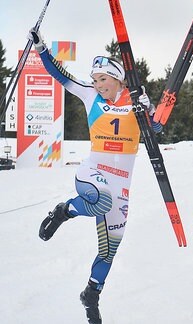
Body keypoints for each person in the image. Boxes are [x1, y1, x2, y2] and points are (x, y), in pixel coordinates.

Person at [29, 28, 161, 324]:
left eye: (105, 79)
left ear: (119, 79)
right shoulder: (89, 95)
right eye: (96, 80)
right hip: (92, 174)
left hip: (121, 182)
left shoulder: (137, 100)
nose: (99, 85)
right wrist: (41, 48)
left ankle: (91, 294)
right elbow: (62, 76)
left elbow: (157, 130)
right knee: (102, 200)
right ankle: (65, 210)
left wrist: (150, 113)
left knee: (110, 249)